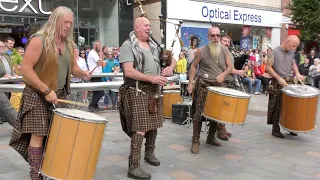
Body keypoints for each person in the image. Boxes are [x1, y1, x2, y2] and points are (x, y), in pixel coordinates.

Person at [9, 6, 91, 180]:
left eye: (71, 23)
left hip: (59, 95)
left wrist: (82, 74)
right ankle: (36, 174)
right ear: (55, 19)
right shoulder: (39, 40)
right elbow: (25, 69)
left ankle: (49, 167)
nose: (68, 26)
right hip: (37, 94)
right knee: (38, 134)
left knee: (56, 135)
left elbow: (73, 68)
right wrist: (46, 90)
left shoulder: (68, 43)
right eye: (65, 22)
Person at [118, 17, 176, 179]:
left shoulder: (155, 45)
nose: (149, 28)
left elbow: (173, 59)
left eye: (150, 25)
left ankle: (149, 152)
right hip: (136, 90)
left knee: (154, 124)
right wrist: (153, 78)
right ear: (137, 27)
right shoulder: (128, 45)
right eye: (146, 25)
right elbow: (128, 71)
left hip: (154, 90)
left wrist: (170, 68)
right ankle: (133, 166)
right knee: (140, 127)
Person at [187, 26, 232, 154]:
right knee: (198, 114)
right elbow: (194, 67)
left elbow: (230, 67)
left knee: (216, 114)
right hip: (203, 85)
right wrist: (191, 83)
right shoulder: (201, 51)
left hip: (219, 86)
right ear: (208, 37)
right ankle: (195, 140)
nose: (215, 38)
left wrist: (222, 76)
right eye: (212, 35)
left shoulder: (225, 51)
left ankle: (211, 137)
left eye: (217, 35)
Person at [266, 35, 304, 138]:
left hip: (289, 82)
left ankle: (290, 126)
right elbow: (268, 68)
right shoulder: (273, 52)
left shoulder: (291, 52)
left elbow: (293, 64)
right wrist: (278, 78)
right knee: (277, 107)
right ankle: (275, 129)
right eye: (293, 45)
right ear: (287, 42)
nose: (294, 48)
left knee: (291, 107)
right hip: (277, 83)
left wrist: (297, 74)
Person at [218, 35, 244, 140]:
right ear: (220, 41)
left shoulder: (228, 52)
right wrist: (238, 71)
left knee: (225, 107)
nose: (227, 43)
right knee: (221, 107)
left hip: (229, 82)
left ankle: (222, 128)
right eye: (225, 41)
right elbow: (226, 68)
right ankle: (220, 130)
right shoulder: (219, 52)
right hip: (221, 82)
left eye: (229, 41)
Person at [87, 40, 104, 112]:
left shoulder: (94, 53)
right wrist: (101, 55)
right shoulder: (93, 53)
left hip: (96, 75)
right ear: (95, 46)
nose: (100, 47)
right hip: (95, 75)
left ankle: (95, 106)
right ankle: (92, 105)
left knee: (96, 92)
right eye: (99, 45)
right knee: (100, 92)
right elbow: (99, 63)